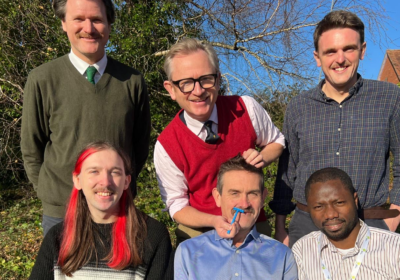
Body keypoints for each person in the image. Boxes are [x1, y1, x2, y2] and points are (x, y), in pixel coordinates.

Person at [271, 10, 400, 247]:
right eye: (330, 51)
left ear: (362, 50)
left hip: (370, 226)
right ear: (317, 57)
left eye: (348, 49)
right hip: (307, 228)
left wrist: (391, 221)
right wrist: (281, 227)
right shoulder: (299, 106)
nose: (339, 59)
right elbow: (286, 173)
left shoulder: (390, 98)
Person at [21, 0, 150, 235]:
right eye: (79, 19)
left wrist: (117, 189)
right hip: (61, 214)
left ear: (110, 25)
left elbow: (139, 147)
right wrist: (51, 193)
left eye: (97, 20)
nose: (88, 28)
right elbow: (32, 148)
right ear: (63, 23)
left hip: (116, 211)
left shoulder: (132, 81)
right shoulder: (42, 79)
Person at [155, 38, 285, 243]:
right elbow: (177, 206)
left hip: (252, 223)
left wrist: (261, 157)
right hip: (201, 231)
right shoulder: (167, 144)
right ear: (171, 89)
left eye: (206, 79)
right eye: (186, 83)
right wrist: (215, 221)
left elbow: (277, 141)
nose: (198, 91)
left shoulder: (245, 108)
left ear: (218, 79)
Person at [29, 142, 173, 280]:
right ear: (77, 180)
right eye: (94, 171)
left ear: (126, 181)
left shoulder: (152, 236)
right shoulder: (58, 238)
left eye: (115, 172)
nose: (105, 182)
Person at [174, 155, 297, 279]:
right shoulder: (188, 252)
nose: (244, 204)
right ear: (218, 197)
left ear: (263, 197)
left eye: (253, 194)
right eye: (235, 193)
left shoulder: (281, 256)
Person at [292, 167, 400, 279]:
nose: (330, 214)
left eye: (339, 203)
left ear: (355, 200)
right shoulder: (302, 249)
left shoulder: (395, 248)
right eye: (319, 207)